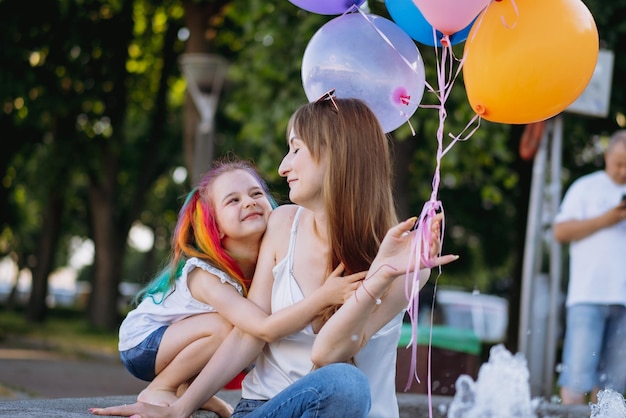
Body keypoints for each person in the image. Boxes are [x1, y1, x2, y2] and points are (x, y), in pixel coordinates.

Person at [91, 95, 458, 418]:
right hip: (266, 408)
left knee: (346, 384)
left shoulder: (407, 264)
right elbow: (248, 336)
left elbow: (328, 353)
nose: (283, 167)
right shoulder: (283, 224)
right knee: (347, 383)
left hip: (352, 409)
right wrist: (179, 408)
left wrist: (380, 276)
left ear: (336, 154)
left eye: (296, 149)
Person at [118, 157, 362, 416]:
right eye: (233, 200)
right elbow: (263, 328)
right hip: (143, 343)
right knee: (229, 326)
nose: (249, 201)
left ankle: (188, 392)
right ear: (217, 228)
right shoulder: (204, 275)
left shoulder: (267, 262)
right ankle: (162, 387)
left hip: (183, 342)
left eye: (256, 193)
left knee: (230, 325)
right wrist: (323, 297)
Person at [553, 130, 626, 405]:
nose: (622, 171)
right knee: (576, 379)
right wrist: (608, 218)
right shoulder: (585, 187)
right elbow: (560, 232)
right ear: (606, 157)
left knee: (612, 389)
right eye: (618, 163)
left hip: (624, 300)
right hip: (588, 296)